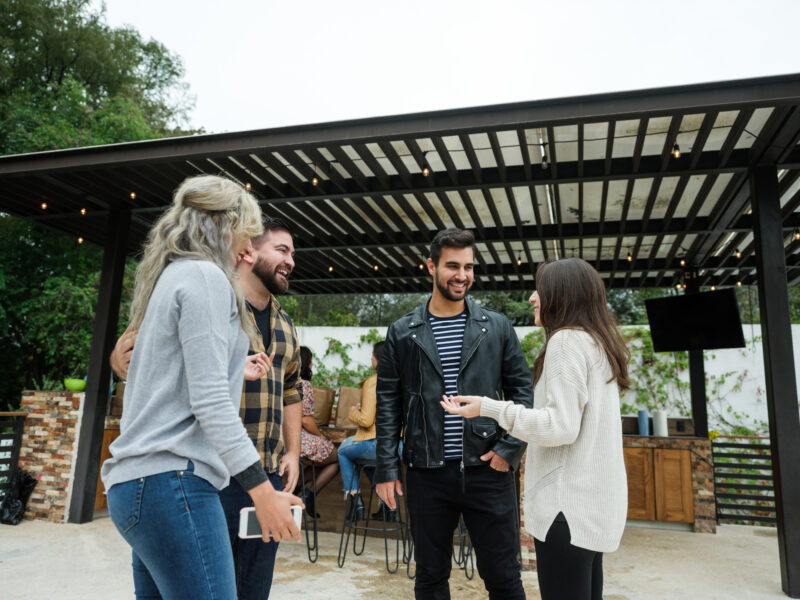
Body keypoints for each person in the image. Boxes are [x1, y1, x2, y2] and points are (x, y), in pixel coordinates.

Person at [101, 175, 302, 600]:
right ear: (224, 226)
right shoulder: (208, 278)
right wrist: (262, 491)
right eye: (248, 235)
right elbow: (209, 402)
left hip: (137, 487)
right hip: (175, 484)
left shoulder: (173, 276)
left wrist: (233, 368)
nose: (248, 249)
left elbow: (173, 383)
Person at [441, 257, 631, 600]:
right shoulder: (598, 344)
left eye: (540, 289)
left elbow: (560, 427)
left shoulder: (566, 343)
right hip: (593, 509)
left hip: (567, 510)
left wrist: (488, 407)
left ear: (562, 295)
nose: (532, 297)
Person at [375, 227, 533, 600]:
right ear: (431, 266)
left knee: (505, 577)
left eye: (468, 266)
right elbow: (388, 404)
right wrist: (385, 468)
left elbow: (523, 393)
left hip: (488, 470)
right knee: (430, 577)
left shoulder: (497, 327)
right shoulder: (402, 332)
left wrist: (508, 451)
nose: (462, 275)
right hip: (427, 473)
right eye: (452, 266)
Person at [337, 341, 389, 522]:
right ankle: (388, 505)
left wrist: (353, 413)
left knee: (343, 450)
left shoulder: (373, 382)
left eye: (372, 355)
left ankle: (356, 500)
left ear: (377, 360)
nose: (370, 359)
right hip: (398, 447)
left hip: (377, 443)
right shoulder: (403, 379)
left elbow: (366, 421)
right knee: (369, 461)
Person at [298, 346, 339, 516]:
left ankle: (295, 488)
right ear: (306, 363)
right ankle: (309, 494)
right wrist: (321, 435)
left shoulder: (279, 382)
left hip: (280, 441)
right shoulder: (303, 385)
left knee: (321, 460)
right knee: (339, 456)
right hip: (298, 440)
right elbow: (305, 420)